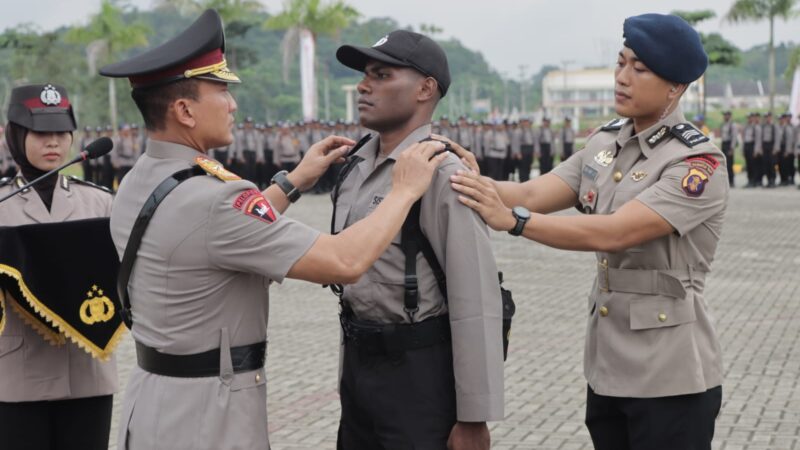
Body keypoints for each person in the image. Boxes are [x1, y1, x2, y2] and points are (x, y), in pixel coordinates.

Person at [99, 10, 447, 450]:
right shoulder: (214, 198)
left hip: (151, 400)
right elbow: (344, 262)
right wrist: (403, 191)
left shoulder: (139, 179)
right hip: (208, 417)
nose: (232, 104)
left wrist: (294, 180)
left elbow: (220, 236)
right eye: (221, 91)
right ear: (185, 110)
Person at [448, 14, 726, 450]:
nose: (622, 77)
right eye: (620, 63)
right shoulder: (604, 144)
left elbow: (614, 232)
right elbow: (530, 191)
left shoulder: (696, 164)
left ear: (676, 86)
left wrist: (516, 222)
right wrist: (461, 175)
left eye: (640, 69)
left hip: (671, 372)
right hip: (609, 364)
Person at [333, 29, 504, 450]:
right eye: (365, 75)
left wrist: (473, 416)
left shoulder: (443, 174)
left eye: (381, 74)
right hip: (359, 363)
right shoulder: (355, 165)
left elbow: (476, 299)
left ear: (425, 88)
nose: (363, 85)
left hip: (419, 372)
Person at [0, 84, 117, 450]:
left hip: (88, 371)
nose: (53, 142)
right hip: (18, 373)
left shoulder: (101, 204)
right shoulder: (2, 206)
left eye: (60, 133)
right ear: (16, 136)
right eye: (41, 133)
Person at [742, 112, 762, 188]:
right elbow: (744, 139)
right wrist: (743, 150)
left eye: (750, 117)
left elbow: (758, 140)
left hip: (752, 146)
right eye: (748, 117)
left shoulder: (756, 127)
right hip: (747, 146)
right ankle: (749, 180)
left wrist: (756, 151)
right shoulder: (746, 127)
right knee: (748, 165)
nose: (749, 119)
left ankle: (754, 181)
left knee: (753, 165)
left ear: (753, 118)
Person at [719, 111, 737, 187]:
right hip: (724, 144)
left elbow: (734, 137)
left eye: (726, 115)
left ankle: (731, 181)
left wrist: (732, 148)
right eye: (724, 115)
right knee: (724, 164)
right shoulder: (723, 125)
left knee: (730, 164)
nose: (725, 116)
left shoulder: (732, 125)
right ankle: (726, 181)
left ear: (730, 116)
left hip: (729, 145)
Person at [777, 113, 795, 186]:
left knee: (786, 165)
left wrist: (787, 151)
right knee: (780, 165)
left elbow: (789, 140)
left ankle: (787, 179)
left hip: (785, 148)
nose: (780, 120)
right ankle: (782, 179)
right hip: (780, 148)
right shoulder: (779, 127)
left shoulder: (787, 128)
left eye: (782, 119)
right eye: (780, 119)